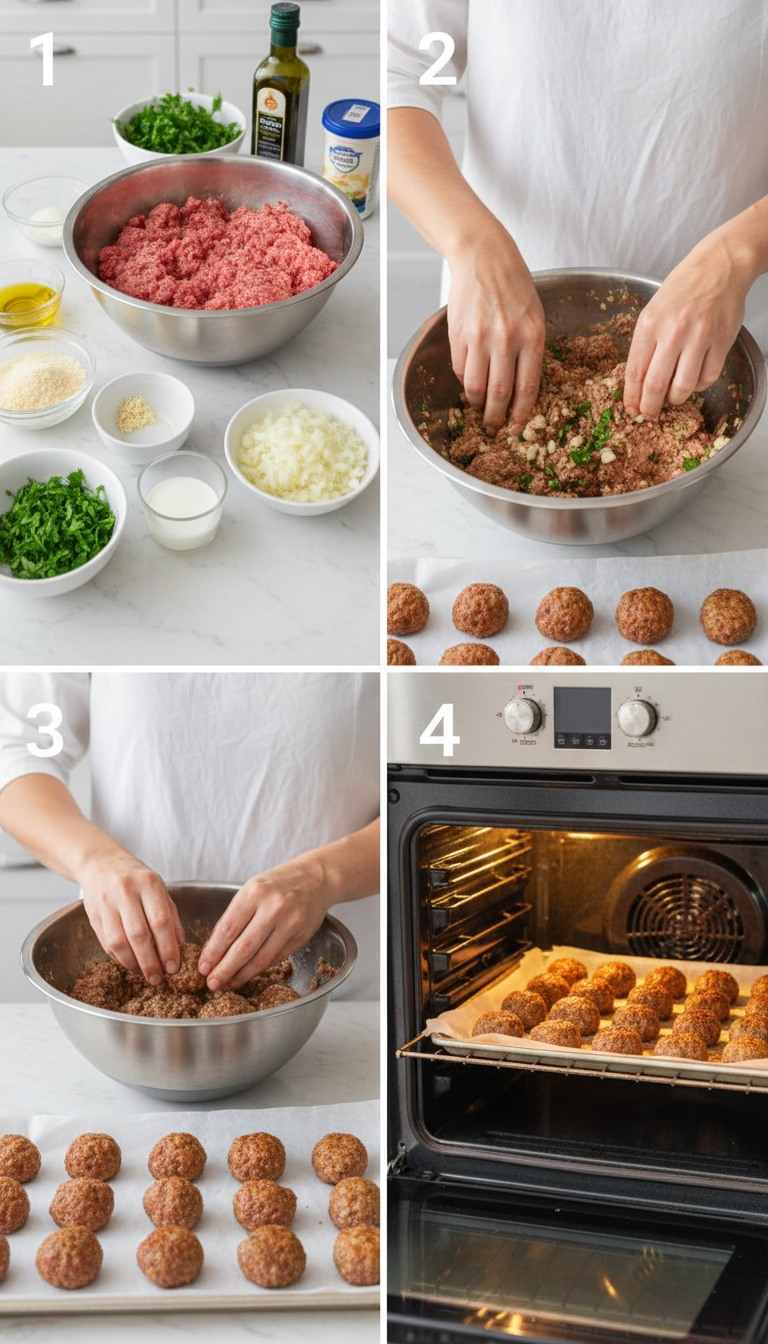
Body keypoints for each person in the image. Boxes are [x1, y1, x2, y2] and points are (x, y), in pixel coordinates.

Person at [388, 1, 768, 435]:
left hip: (724, 338)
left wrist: (738, 255)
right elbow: (404, 72)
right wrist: (472, 244)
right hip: (499, 314)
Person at [0, 672, 379, 996]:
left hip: (337, 997)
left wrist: (325, 875)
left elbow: (434, 776)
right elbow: (18, 748)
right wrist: (95, 859)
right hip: (125, 991)